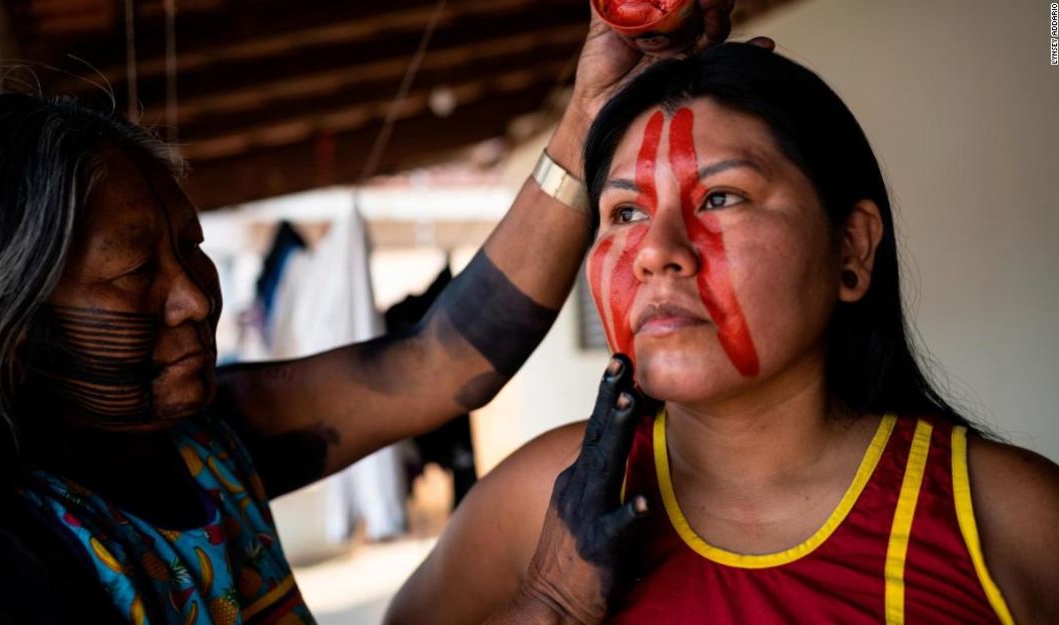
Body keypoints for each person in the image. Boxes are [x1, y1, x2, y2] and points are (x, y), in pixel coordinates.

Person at [0, 3, 744, 623]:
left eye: (190, 248)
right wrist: (549, 603)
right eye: (132, 274)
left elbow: (438, 360)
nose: (195, 297)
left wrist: (587, 119)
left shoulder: (203, 442)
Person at [385, 44, 1059, 625]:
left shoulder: (1008, 520)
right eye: (625, 211)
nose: (656, 250)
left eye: (720, 197)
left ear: (851, 250)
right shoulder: (533, 502)